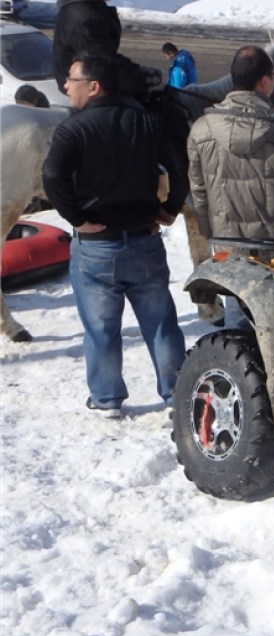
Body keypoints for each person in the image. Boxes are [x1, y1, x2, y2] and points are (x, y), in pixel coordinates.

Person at [42, 54, 188, 417]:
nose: (65, 86)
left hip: (97, 247)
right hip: (144, 240)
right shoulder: (148, 122)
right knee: (161, 323)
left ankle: (106, 398)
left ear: (93, 86)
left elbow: (52, 177)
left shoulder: (73, 129)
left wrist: (75, 217)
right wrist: (168, 209)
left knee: (101, 328)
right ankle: (177, 392)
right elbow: (179, 167)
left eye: (71, 79)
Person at [186, 45, 274, 321]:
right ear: (265, 81)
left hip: (228, 246)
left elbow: (199, 190)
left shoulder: (201, 129)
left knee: (238, 316)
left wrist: (210, 232)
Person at [52, 0, 160, 98]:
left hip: (92, 86)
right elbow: (103, 60)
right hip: (85, 92)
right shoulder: (82, 16)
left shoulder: (89, 6)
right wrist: (140, 77)